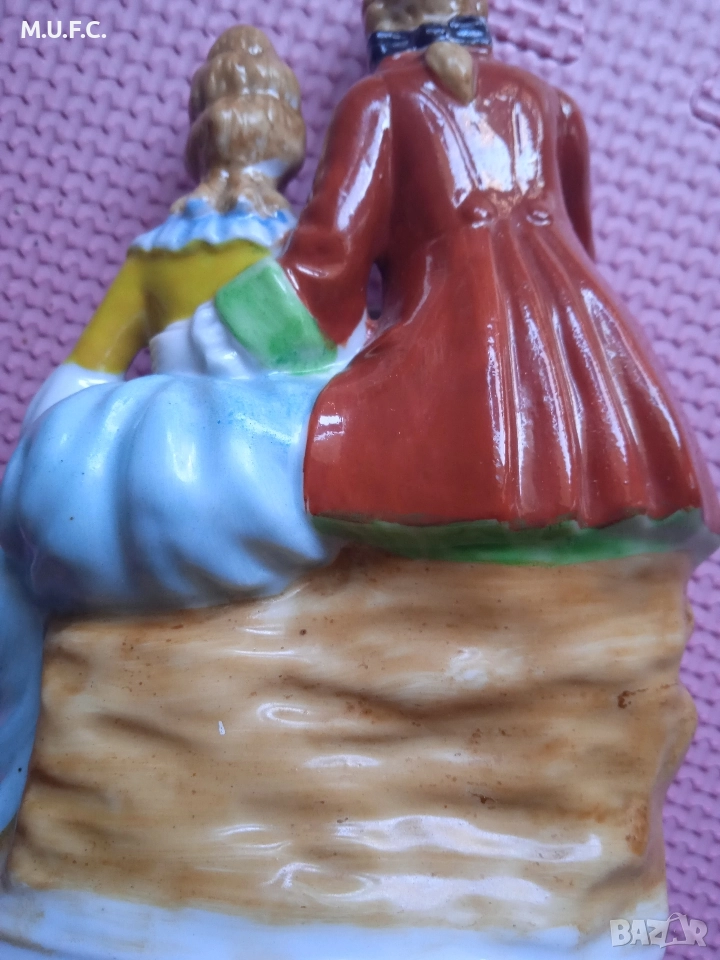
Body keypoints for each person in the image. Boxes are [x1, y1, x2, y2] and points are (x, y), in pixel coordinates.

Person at [215, 0, 720, 565]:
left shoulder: (380, 101)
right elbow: (582, 248)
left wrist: (242, 317)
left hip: (458, 339)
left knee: (398, 458)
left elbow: (332, 252)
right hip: (576, 336)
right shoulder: (548, 100)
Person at [0, 26, 368, 611]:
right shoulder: (304, 252)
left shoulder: (157, 254)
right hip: (271, 450)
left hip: (157, 450)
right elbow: (343, 356)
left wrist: (43, 448)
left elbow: (86, 370)